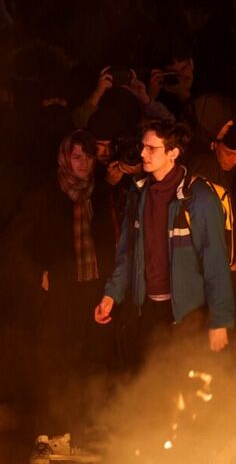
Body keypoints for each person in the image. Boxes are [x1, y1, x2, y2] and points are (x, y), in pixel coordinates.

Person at [6, 130, 115, 446]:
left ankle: (78, 430)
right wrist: (37, 273)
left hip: (91, 289)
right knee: (53, 362)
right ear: (65, 158)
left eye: (88, 157)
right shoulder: (45, 195)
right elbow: (14, 242)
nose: (83, 164)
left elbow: (110, 242)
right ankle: (49, 429)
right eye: (77, 157)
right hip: (58, 291)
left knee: (86, 362)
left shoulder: (99, 195)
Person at [94, 119, 234, 358]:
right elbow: (127, 252)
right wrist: (111, 294)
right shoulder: (138, 196)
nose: (142, 153)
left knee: (186, 387)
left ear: (173, 153)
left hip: (188, 313)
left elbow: (215, 261)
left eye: (151, 148)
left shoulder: (198, 198)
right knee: (152, 383)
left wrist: (220, 320)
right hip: (148, 309)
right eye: (142, 146)